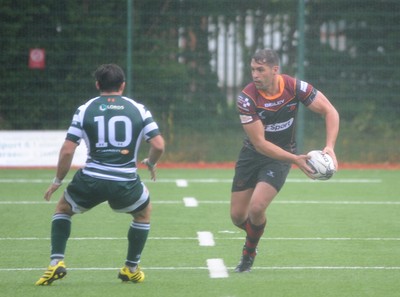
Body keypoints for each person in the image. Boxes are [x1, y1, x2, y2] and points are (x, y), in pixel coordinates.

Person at [35, 64, 165, 285]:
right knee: (143, 213)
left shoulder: (85, 109)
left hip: (91, 178)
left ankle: (56, 262)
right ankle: (131, 268)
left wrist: (57, 180)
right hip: (125, 181)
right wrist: (150, 162)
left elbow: (68, 149)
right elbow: (159, 145)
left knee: (63, 209)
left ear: (97, 85)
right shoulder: (139, 109)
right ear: (122, 85)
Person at [231, 49, 339, 272]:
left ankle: (248, 254)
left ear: (275, 70)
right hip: (252, 156)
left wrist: (330, 146)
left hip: (279, 158)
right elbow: (260, 143)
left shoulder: (294, 87)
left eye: (260, 70)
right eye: (253, 69)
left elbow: (330, 111)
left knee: (257, 207)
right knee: (237, 216)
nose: (255, 75)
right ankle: (254, 234)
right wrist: (296, 160)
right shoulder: (246, 98)